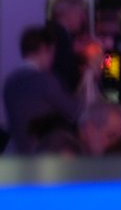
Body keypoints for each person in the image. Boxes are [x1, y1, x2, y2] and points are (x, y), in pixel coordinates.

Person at [5, 25, 81, 155]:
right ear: (44, 49)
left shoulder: (10, 81)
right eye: (52, 53)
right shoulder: (44, 80)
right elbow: (74, 112)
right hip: (43, 153)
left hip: (16, 153)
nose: (52, 59)